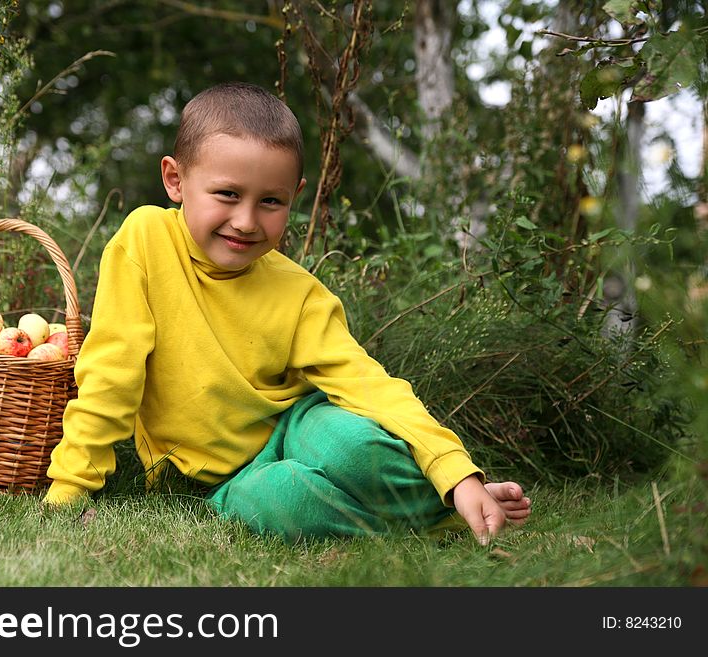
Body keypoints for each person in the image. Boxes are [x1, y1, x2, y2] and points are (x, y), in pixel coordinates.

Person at [44, 81, 531, 544]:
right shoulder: (145, 242)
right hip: (217, 479)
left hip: (296, 424)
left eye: (271, 201)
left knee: (353, 445)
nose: (246, 221)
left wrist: (455, 470)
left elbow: (369, 385)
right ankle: (433, 521)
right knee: (287, 500)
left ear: (294, 196)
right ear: (175, 179)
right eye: (228, 194)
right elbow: (111, 371)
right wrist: (70, 488)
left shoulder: (300, 293)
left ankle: (457, 498)